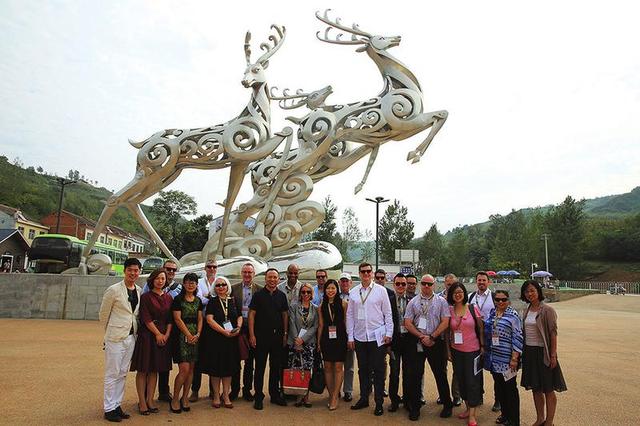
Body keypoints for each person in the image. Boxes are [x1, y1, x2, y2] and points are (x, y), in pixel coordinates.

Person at [403, 274, 453, 421]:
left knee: (440, 374)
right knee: (415, 375)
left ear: (434, 285)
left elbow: (445, 321)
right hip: (418, 342)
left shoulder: (441, 302)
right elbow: (407, 322)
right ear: (420, 284)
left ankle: (447, 404)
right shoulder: (413, 302)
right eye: (424, 283)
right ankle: (415, 407)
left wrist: (432, 337)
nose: (426, 286)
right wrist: (421, 336)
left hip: (435, 342)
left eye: (429, 284)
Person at [346, 262, 393, 416]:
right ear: (359, 274)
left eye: (368, 271)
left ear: (372, 273)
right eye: (363, 272)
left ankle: (379, 402)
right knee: (363, 370)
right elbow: (350, 316)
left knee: (378, 371)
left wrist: (389, 333)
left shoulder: (381, 291)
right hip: (360, 337)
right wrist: (350, 336)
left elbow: (388, 313)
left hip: (377, 337)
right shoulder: (354, 292)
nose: (366, 274)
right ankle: (364, 398)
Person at [99, 258, 142, 422]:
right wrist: (109, 334)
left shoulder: (138, 290)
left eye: (136, 270)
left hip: (131, 337)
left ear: (139, 272)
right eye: (130, 270)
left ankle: (117, 405)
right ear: (124, 270)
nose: (133, 273)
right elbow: (103, 315)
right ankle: (109, 408)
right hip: (115, 337)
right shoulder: (113, 290)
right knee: (112, 373)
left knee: (123, 373)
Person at [520, 280, 567, 426]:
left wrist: (553, 355)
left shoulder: (547, 310)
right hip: (529, 352)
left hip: (543, 352)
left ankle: (550, 421)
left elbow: (553, 333)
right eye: (527, 291)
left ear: (538, 291)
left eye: (532, 290)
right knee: (536, 388)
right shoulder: (527, 310)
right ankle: (540, 418)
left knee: (548, 388)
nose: (529, 294)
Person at [130, 268, 173, 416]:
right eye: (157, 278)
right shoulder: (146, 297)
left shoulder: (169, 298)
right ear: (152, 280)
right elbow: (146, 318)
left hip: (163, 337)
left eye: (163, 278)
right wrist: (158, 334)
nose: (160, 281)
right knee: (143, 370)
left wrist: (166, 335)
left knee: (155, 369)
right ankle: (142, 401)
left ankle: (150, 399)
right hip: (148, 336)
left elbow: (170, 320)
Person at [249, 268, 289, 409]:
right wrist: (252, 335)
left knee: (275, 367)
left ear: (278, 279)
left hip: (277, 337)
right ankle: (258, 396)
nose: (272, 280)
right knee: (259, 367)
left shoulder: (282, 296)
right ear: (265, 279)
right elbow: (252, 315)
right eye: (270, 277)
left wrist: (285, 334)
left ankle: (274, 394)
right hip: (261, 337)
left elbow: (285, 315)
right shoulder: (258, 295)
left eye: (275, 277)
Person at [141, 259, 180, 403]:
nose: (170, 272)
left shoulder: (178, 289)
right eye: (168, 269)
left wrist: (167, 333)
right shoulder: (147, 289)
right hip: (151, 330)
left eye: (173, 270)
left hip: (168, 329)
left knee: (164, 363)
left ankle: (164, 391)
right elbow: (145, 309)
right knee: (148, 364)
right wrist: (157, 332)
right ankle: (146, 396)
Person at [200, 276, 241, 409]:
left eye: (223, 284)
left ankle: (226, 395)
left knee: (228, 369)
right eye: (218, 285)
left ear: (227, 286)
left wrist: (238, 328)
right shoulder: (212, 301)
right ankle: (216, 395)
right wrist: (223, 332)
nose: (221, 287)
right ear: (214, 288)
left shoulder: (233, 301)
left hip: (231, 340)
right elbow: (209, 319)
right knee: (216, 369)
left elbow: (239, 316)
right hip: (216, 339)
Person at [447, 282, 484, 426]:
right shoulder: (449, 310)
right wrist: (448, 350)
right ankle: (468, 408)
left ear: (464, 293)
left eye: (460, 292)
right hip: (457, 351)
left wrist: (482, 346)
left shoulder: (472, 309)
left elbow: (480, 329)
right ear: (451, 295)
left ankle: (473, 414)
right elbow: (447, 332)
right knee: (461, 381)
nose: (458, 294)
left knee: (472, 382)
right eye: (455, 292)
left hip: (472, 351)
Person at [484, 289, 523, 426]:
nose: (500, 302)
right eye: (498, 299)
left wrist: (514, 358)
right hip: (495, 358)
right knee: (500, 389)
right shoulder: (493, 313)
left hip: (508, 360)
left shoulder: (513, 315)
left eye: (504, 299)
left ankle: (514, 419)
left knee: (510, 390)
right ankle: (505, 415)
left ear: (508, 300)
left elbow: (518, 337)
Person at [169, 273, 203, 414]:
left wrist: (198, 334)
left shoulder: (198, 300)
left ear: (196, 285)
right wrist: (188, 335)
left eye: (193, 282)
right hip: (181, 337)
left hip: (195, 337)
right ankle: (175, 398)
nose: (190, 284)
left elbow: (200, 318)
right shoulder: (178, 299)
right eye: (188, 282)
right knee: (183, 369)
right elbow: (177, 319)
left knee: (191, 370)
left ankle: (185, 398)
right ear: (184, 284)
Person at [230, 262, 262, 401]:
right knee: (235, 360)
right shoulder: (232, 289)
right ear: (241, 273)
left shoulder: (260, 290)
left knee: (250, 361)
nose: (247, 275)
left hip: (253, 328)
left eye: (250, 272)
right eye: (245, 272)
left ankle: (247, 390)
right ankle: (234, 389)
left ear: (254, 274)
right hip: (237, 327)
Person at [469, 271, 498, 411]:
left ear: (488, 282)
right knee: (476, 368)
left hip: (492, 336)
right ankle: (478, 395)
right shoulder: (471, 297)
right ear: (476, 281)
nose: (481, 282)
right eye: (479, 280)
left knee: (495, 369)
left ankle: (498, 399)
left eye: (483, 280)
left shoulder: (494, 297)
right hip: (474, 336)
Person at [317, 279, 348, 410]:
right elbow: (321, 325)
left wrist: (349, 339)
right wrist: (318, 342)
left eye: (333, 288)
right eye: (328, 288)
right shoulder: (321, 305)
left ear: (337, 289)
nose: (330, 290)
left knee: (338, 367)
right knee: (328, 367)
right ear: (325, 290)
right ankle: (331, 394)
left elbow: (346, 322)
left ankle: (335, 396)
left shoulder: (344, 304)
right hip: (326, 339)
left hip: (340, 338)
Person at [287, 282, 319, 407]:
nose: (306, 294)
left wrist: (303, 339)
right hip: (295, 343)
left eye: (308, 292)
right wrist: (297, 339)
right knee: (295, 369)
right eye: (303, 292)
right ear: (300, 293)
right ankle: (297, 395)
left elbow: (315, 326)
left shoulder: (315, 308)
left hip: (308, 343)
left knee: (306, 371)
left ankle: (306, 396)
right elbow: (291, 323)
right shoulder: (294, 306)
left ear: (312, 294)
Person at [190, 259, 217, 402]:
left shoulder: (220, 281)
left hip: (215, 325)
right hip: (200, 323)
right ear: (205, 268)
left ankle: (214, 391)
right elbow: (198, 299)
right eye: (209, 266)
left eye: (214, 267)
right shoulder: (199, 282)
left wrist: (207, 297)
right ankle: (195, 390)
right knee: (197, 358)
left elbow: (206, 298)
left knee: (214, 357)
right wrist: (212, 298)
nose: (212, 269)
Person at [388, 273, 411, 413]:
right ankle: (394, 400)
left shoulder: (413, 300)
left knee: (408, 372)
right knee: (394, 372)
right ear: (394, 285)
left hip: (408, 343)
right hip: (395, 343)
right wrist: (388, 345)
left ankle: (408, 400)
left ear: (407, 285)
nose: (401, 286)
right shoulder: (388, 300)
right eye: (398, 284)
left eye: (403, 284)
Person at [439, 273, 462, 407]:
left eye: (453, 284)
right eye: (448, 284)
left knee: (457, 369)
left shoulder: (460, 298)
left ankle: (456, 395)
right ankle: (443, 395)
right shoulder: (438, 298)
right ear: (445, 284)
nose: (451, 287)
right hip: (441, 338)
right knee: (441, 368)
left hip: (456, 339)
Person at [338, 273, 355, 402]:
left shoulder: (355, 297)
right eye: (342, 281)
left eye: (346, 281)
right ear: (339, 283)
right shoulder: (334, 296)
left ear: (351, 283)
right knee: (336, 365)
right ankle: (335, 389)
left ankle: (348, 391)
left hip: (350, 335)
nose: (344, 283)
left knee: (349, 366)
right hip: (337, 336)